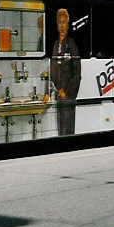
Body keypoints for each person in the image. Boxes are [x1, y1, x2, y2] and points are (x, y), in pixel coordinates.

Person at [50, 8, 81, 136]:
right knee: (61, 131)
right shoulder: (56, 44)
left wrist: (66, 92)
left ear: (68, 25)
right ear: (57, 25)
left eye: (64, 23)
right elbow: (52, 69)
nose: (62, 26)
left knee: (67, 131)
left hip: (68, 96)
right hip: (59, 96)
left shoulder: (71, 44)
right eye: (59, 22)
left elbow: (77, 73)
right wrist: (52, 90)